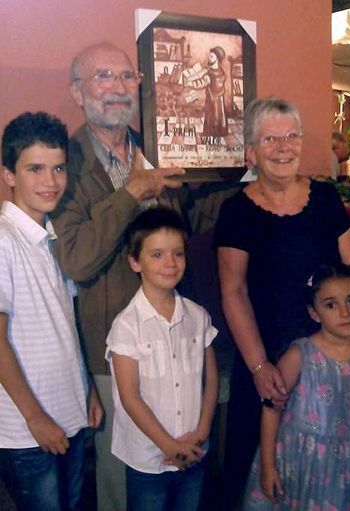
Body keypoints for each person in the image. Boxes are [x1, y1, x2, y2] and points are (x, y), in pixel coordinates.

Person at [52, 41, 237, 511]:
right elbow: (76, 259)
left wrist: (243, 178)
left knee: (185, 464)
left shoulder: (157, 145)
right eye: (102, 76)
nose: (117, 87)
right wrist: (132, 192)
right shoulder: (65, 163)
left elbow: (187, 221)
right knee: (126, 478)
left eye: (126, 76)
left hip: (177, 336)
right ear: (77, 92)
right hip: (116, 350)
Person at [214, 97, 350, 510]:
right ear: (250, 152)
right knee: (261, 474)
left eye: (291, 136)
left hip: (331, 357)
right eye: (270, 139)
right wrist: (259, 367)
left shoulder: (324, 198)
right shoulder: (236, 211)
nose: (283, 147)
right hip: (268, 359)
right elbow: (233, 291)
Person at [0, 112, 102, 511]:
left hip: (69, 413)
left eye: (58, 168)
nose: (51, 181)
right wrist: (34, 418)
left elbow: (65, 325)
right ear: (9, 175)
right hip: (27, 431)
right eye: (35, 169)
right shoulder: (4, 240)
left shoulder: (53, 237)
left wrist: (86, 387)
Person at [105, 206, 219, 511]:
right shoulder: (126, 326)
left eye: (177, 253)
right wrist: (170, 446)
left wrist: (201, 432)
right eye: (157, 255)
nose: (170, 263)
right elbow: (130, 397)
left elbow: (211, 380)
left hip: (194, 448)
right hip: (149, 459)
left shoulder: (197, 316)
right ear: (135, 261)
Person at [243, 263, 350, 510]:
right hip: (297, 461)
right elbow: (271, 407)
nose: (345, 313)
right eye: (331, 305)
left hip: (343, 468)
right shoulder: (300, 354)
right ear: (314, 313)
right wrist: (268, 466)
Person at [187, 46, 228, 137]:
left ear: (217, 59)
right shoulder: (221, 72)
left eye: (211, 57)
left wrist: (190, 83)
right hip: (219, 99)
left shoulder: (210, 74)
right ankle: (221, 132)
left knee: (211, 117)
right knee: (219, 115)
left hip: (211, 100)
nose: (209, 58)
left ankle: (210, 134)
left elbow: (201, 83)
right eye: (209, 56)